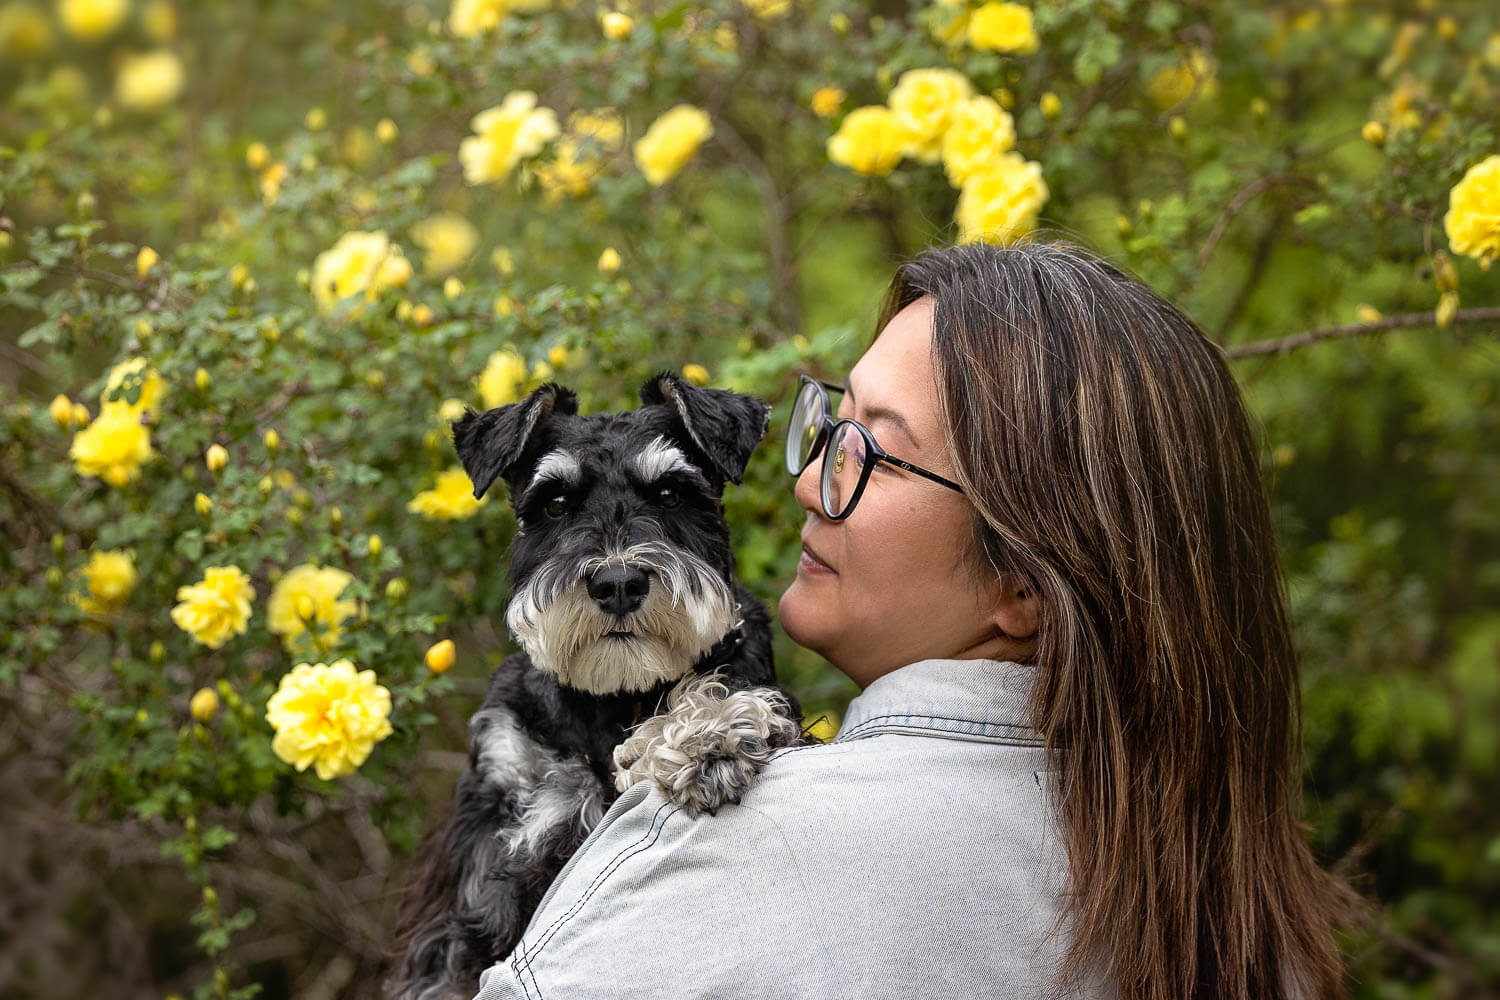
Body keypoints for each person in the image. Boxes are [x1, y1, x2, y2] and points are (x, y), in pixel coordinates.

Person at [470, 239, 1349, 1000]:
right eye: (831, 428)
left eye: (874, 455)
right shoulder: (1246, 917)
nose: (811, 482)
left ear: (1028, 586)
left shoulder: (719, 840)